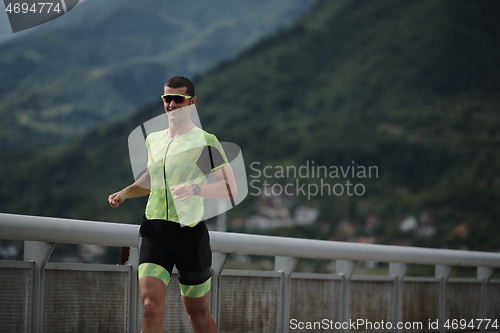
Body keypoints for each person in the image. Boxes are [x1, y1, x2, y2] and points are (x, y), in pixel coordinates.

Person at [108, 76, 237, 333]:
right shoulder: (153, 139)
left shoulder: (205, 141)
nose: (172, 104)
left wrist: (196, 188)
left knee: (197, 314)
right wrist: (126, 192)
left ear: (192, 102)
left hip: (189, 234)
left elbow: (229, 188)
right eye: (168, 99)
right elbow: (152, 177)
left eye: (179, 99)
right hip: (154, 231)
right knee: (149, 307)